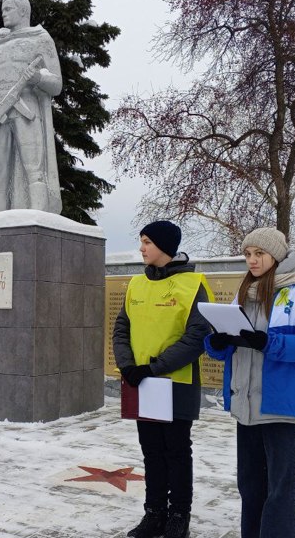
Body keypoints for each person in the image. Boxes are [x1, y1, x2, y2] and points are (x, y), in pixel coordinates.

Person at [204, 228, 295, 538]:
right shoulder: (244, 292)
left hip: (279, 405)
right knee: (250, 483)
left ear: (275, 255)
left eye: (258, 254)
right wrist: (218, 342)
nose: (252, 260)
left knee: (281, 487)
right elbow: (229, 346)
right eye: (248, 254)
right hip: (246, 404)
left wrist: (268, 342)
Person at [112, 220, 213, 538]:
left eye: (146, 242)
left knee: (177, 451)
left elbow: (197, 336)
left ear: (165, 247)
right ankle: (154, 513)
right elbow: (121, 329)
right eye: (141, 242)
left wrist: (153, 368)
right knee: (151, 450)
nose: (141, 248)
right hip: (141, 383)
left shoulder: (194, 283)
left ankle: (178, 517)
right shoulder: (136, 284)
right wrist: (128, 366)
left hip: (176, 383)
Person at [0, 0, 62, 214]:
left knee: (34, 168)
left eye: (8, 9)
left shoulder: (40, 38)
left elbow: (57, 84)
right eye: (2, 9)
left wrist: (38, 78)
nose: (2, 13)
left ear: (23, 10)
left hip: (27, 112)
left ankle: (38, 217)